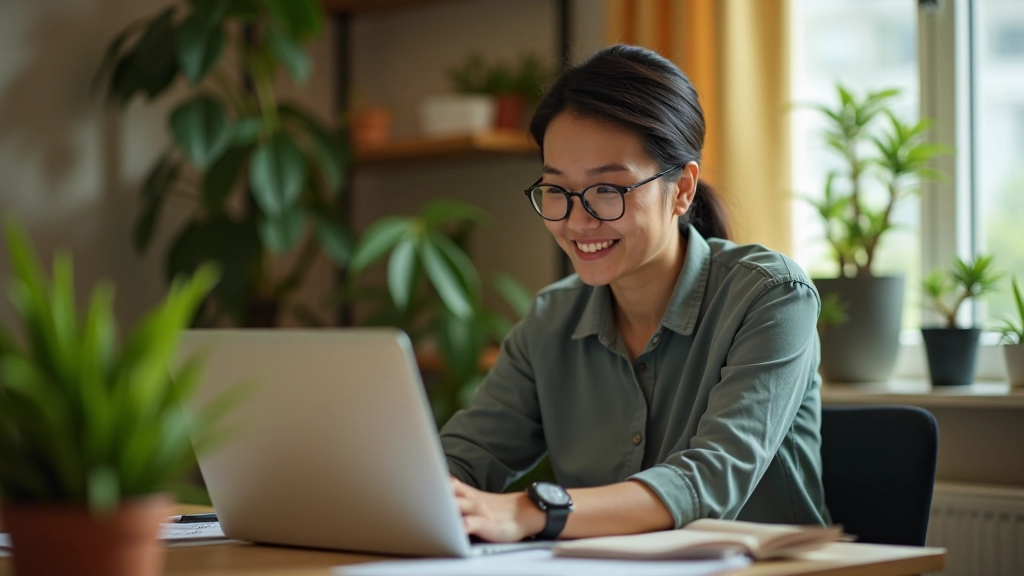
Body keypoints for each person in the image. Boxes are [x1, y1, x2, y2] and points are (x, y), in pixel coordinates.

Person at [440, 44, 829, 544]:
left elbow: (708, 480)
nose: (578, 221)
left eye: (608, 190)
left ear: (683, 189)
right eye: (556, 190)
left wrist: (532, 510)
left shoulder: (771, 298)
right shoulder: (551, 319)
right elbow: (465, 457)